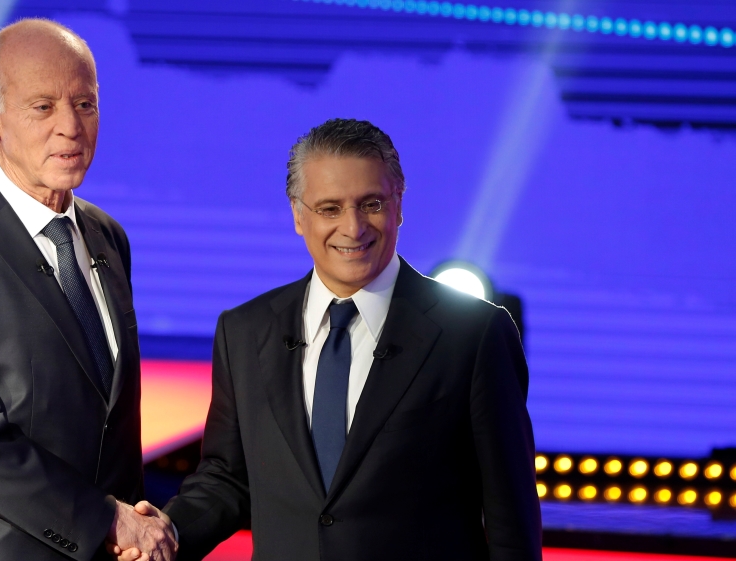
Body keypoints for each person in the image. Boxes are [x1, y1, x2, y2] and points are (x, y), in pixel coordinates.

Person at [125, 118, 542, 560]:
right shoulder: (244, 331)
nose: (353, 227)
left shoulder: (474, 335)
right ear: (298, 214)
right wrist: (167, 535)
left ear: (399, 204)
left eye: (371, 204)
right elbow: (227, 478)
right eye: (330, 208)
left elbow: (511, 519)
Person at [0, 19, 176, 561]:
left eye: (85, 104)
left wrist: (132, 524)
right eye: (43, 107)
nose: (70, 126)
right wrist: (106, 519)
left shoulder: (108, 236)